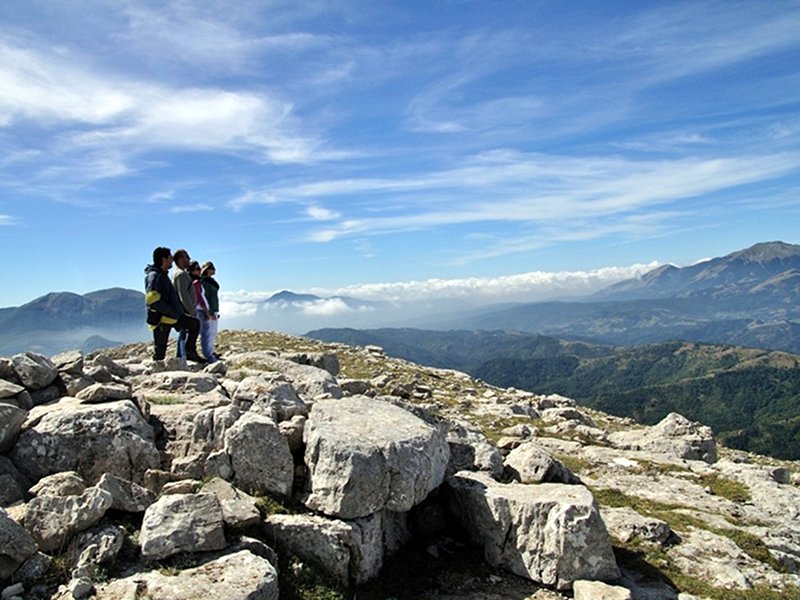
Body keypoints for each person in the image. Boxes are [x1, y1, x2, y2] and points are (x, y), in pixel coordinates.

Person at [144, 247, 203, 362]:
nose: (172, 260)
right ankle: (155, 372)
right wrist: (170, 311)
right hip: (162, 319)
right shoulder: (154, 276)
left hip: (172, 316)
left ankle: (190, 352)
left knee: (195, 324)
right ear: (164, 259)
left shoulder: (162, 274)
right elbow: (152, 300)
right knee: (160, 353)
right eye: (170, 258)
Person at [171, 249, 205, 362]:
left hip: (183, 310)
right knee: (187, 331)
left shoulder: (180, 273)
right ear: (180, 259)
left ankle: (183, 355)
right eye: (187, 257)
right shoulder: (181, 274)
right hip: (184, 311)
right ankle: (185, 356)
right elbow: (183, 295)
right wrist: (191, 311)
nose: (189, 259)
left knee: (185, 333)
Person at [189, 260, 217, 363]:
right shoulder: (197, 282)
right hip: (201, 310)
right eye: (197, 269)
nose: (199, 271)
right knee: (205, 333)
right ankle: (208, 355)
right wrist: (207, 310)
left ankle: (207, 353)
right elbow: (200, 298)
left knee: (205, 332)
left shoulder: (199, 282)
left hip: (201, 309)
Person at [201, 261, 221, 360]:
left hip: (213, 308)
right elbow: (207, 297)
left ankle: (211, 351)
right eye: (212, 268)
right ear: (208, 269)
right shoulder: (206, 282)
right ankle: (209, 353)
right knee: (210, 332)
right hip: (211, 310)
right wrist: (210, 312)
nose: (214, 270)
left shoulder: (208, 281)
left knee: (212, 331)